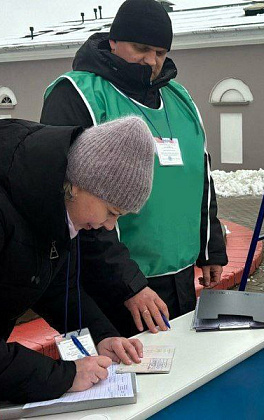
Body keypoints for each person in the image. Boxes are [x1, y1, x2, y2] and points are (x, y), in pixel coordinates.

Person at [40, 0, 228, 337]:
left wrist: (210, 248)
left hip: (180, 277)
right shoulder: (78, 94)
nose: (151, 61)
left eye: (160, 52)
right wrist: (129, 284)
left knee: (182, 372)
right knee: (133, 379)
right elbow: (70, 202)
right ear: (113, 41)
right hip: (115, 285)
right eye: (141, 48)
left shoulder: (180, 98)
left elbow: (201, 178)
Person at [0, 116, 155, 403]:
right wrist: (65, 376)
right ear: (78, 185)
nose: (109, 227)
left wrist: (102, 337)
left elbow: (56, 287)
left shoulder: (49, 201)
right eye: (111, 211)